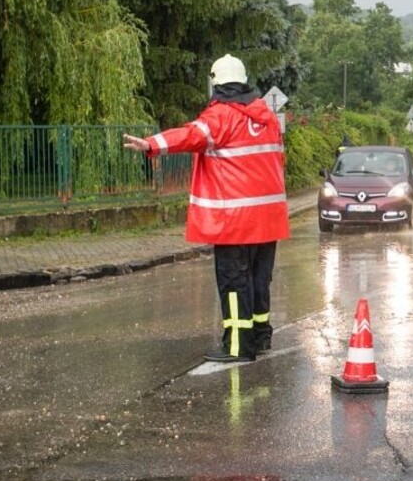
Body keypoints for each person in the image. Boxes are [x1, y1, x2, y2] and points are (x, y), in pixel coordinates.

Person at [122, 54, 289, 363]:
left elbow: (190, 135)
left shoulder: (222, 116)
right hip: (268, 220)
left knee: (234, 282)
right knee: (258, 279)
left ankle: (239, 346)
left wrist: (151, 144)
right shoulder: (265, 117)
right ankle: (261, 337)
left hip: (235, 221)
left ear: (216, 82)